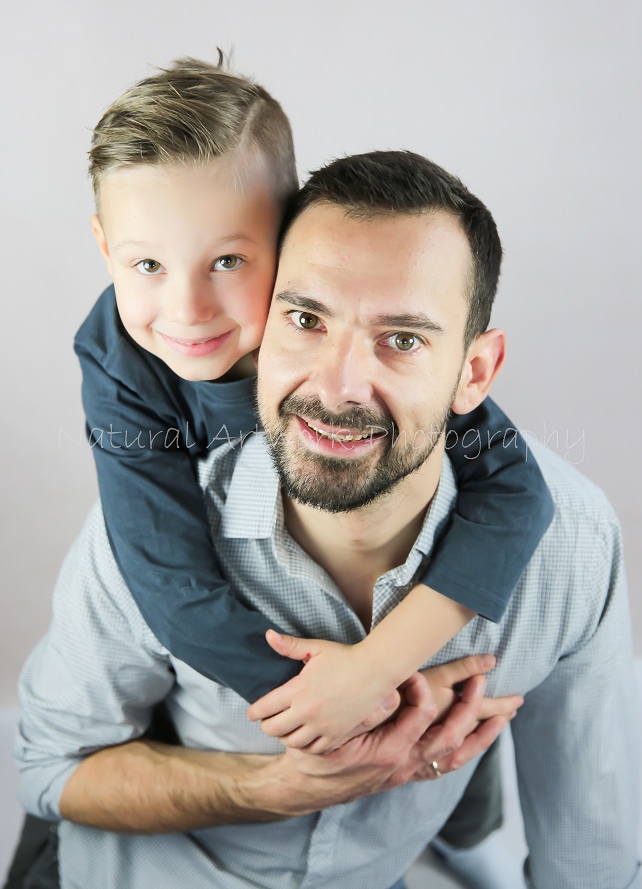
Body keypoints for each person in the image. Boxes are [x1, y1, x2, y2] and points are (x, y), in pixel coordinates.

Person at [15, 151, 640, 888]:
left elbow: (591, 857)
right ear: (264, 323)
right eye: (306, 319)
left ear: (474, 372)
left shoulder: (572, 545)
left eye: (402, 340)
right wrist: (274, 788)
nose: (339, 388)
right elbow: (48, 771)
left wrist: (377, 674)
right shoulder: (151, 528)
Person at [75, 55, 553, 749]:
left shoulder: (350, 349)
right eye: (147, 264)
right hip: (225, 696)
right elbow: (169, 582)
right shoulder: (116, 356)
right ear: (105, 247)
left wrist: (379, 666)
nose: (186, 310)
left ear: (290, 236)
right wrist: (363, 704)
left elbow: (517, 493)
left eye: (228, 261)